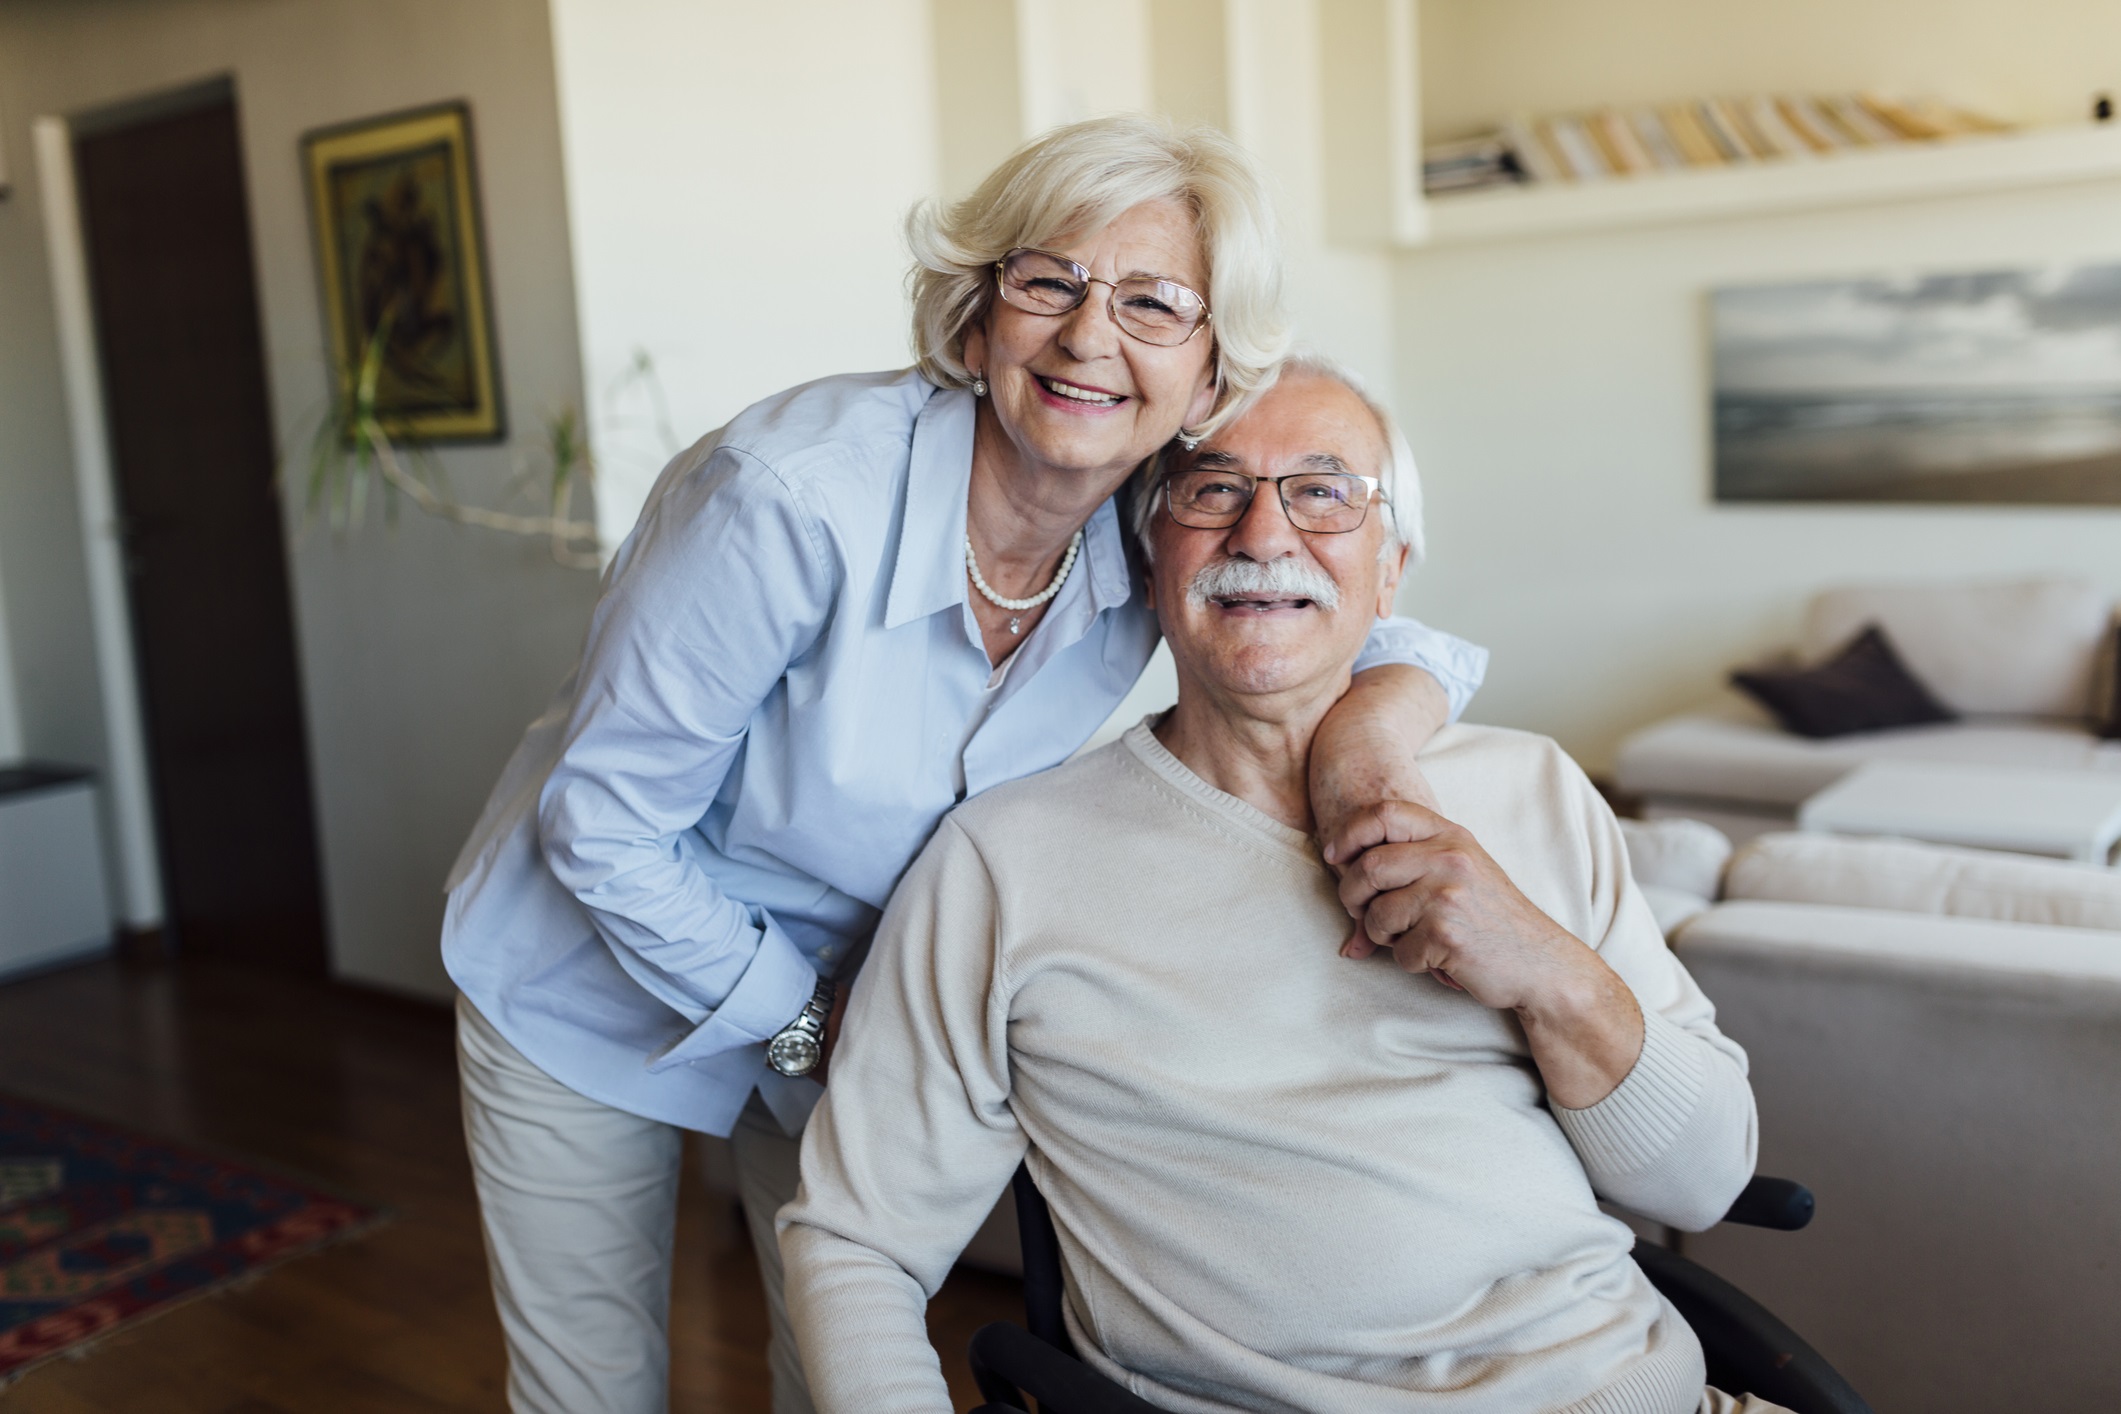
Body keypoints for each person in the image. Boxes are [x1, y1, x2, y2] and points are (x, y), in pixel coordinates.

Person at [441, 118, 1487, 1414]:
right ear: (981, 308)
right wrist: (821, 1026)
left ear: (1212, 362)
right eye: (1048, 281)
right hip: (581, 973)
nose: (1089, 339)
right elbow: (597, 822)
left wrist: (1366, 754)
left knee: (832, 1363)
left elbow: (1363, 615)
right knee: (588, 1387)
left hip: (833, 1006)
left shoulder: (1156, 513)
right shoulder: (789, 497)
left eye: (1157, 304)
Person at [780, 357, 1778, 1414]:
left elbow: (1703, 1181)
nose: (1263, 535)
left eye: (1324, 490)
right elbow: (856, 1241)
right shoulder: (1005, 859)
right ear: (1150, 553)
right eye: (1213, 489)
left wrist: (1549, 971)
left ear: (1390, 571)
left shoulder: (1528, 786)